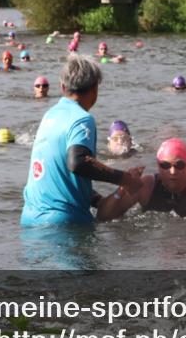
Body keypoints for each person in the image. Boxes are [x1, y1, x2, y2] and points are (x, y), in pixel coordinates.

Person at [21, 57, 144, 226]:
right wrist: (125, 179)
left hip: (29, 220)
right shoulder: (82, 119)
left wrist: (97, 200)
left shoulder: (50, 115)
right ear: (95, 89)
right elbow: (78, 162)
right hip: (63, 224)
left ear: (63, 87)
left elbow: (60, 173)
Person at [129, 139, 186, 218]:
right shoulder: (146, 186)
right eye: (165, 165)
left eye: (179, 165)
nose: (172, 171)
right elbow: (119, 211)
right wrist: (126, 186)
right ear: (158, 166)